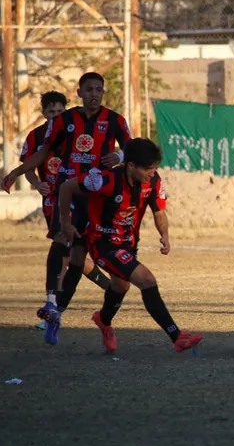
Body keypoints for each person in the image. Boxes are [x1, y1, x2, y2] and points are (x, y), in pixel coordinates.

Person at [2, 72, 129, 344]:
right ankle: (51, 302)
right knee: (63, 238)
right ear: (79, 92)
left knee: (79, 260)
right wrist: (17, 171)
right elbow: (43, 152)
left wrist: (119, 156)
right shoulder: (64, 120)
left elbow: (134, 150)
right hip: (69, 190)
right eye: (89, 89)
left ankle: (59, 310)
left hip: (97, 194)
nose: (95, 94)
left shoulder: (115, 120)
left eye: (99, 89)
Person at [56, 138, 202, 353]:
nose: (152, 173)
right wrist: (66, 223)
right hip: (103, 243)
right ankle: (176, 336)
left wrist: (165, 235)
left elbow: (159, 211)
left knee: (121, 286)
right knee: (147, 280)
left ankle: (103, 320)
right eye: (148, 168)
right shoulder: (104, 180)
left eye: (155, 168)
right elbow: (67, 187)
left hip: (129, 243)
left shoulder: (153, 181)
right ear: (131, 166)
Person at [19, 91, 110, 331]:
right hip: (52, 201)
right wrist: (36, 183)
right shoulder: (37, 137)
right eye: (51, 112)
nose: (55, 116)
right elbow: (28, 165)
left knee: (71, 252)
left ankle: (54, 308)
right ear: (44, 114)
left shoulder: (76, 133)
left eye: (59, 112)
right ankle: (58, 307)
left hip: (79, 198)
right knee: (69, 252)